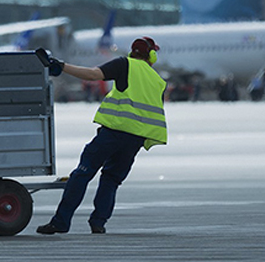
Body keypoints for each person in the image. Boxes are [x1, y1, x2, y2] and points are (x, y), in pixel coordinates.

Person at [36, 37, 168, 235]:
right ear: (151, 55)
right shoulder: (158, 81)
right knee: (111, 179)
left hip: (113, 133)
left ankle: (61, 222)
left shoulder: (125, 64)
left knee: (82, 174)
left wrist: (61, 66)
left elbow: (92, 74)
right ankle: (98, 223)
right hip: (135, 140)